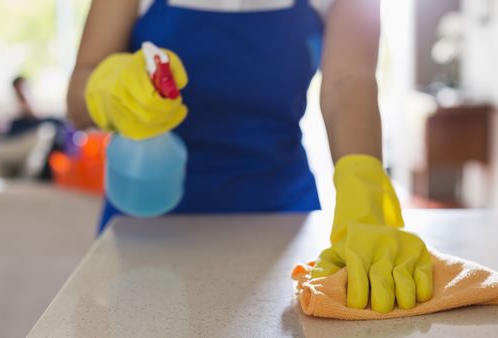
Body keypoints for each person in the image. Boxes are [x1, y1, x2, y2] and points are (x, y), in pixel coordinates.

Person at [67, 0, 434, 314]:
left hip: (281, 217)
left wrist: (363, 189)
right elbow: (77, 97)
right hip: (146, 215)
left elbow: (349, 80)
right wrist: (109, 87)